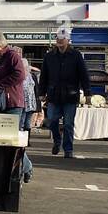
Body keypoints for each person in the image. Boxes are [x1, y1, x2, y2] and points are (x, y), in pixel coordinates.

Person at [38, 28, 90, 158]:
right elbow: (44, 75)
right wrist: (41, 92)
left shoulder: (76, 55)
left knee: (68, 124)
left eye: (62, 39)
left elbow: (84, 75)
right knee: (51, 120)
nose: (59, 41)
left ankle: (68, 149)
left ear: (68, 40)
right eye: (58, 39)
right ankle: (57, 141)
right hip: (53, 95)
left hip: (70, 95)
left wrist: (88, 93)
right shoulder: (49, 56)